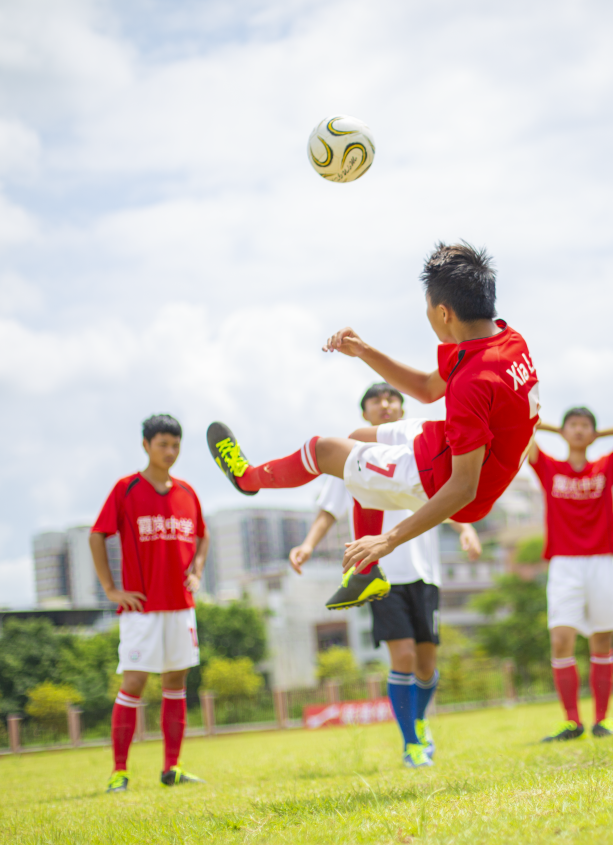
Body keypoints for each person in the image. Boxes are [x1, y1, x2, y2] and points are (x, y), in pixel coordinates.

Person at [205, 244, 539, 646]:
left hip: (445, 478)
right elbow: (427, 389)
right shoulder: (506, 339)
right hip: (454, 450)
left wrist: (388, 539)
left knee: (325, 450)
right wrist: (364, 351)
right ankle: (364, 576)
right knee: (360, 440)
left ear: (444, 313)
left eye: (428, 308)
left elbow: (463, 488)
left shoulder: (473, 381)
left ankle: (247, 478)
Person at [289, 382, 483, 768]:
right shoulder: (352, 457)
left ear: (402, 409)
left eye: (393, 398)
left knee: (427, 663)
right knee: (405, 656)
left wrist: (465, 529)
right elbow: (329, 509)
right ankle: (411, 743)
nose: (386, 404)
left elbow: (450, 494)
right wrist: (309, 544)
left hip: (425, 573)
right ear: (365, 414)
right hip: (381, 574)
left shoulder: (421, 448)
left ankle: (419, 720)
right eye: (377, 400)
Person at [91, 414, 209, 794]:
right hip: (142, 609)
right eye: (162, 445)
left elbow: (203, 537)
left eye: (175, 445)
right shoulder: (126, 489)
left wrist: (197, 571)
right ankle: (119, 772)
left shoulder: (188, 492)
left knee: (176, 681)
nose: (170, 452)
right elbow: (97, 536)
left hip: (181, 606)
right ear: (146, 445)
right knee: (135, 682)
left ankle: (171, 768)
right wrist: (111, 589)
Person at [528, 408, 613, 741]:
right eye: (573, 426)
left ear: (593, 432)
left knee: (602, 640)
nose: (579, 432)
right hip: (564, 564)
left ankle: (602, 720)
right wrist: (556, 428)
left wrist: (597, 433)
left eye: (585, 427)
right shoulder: (550, 467)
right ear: (563, 432)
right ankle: (571, 721)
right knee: (560, 639)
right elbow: (525, 430)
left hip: (603, 561)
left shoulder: (605, 467)